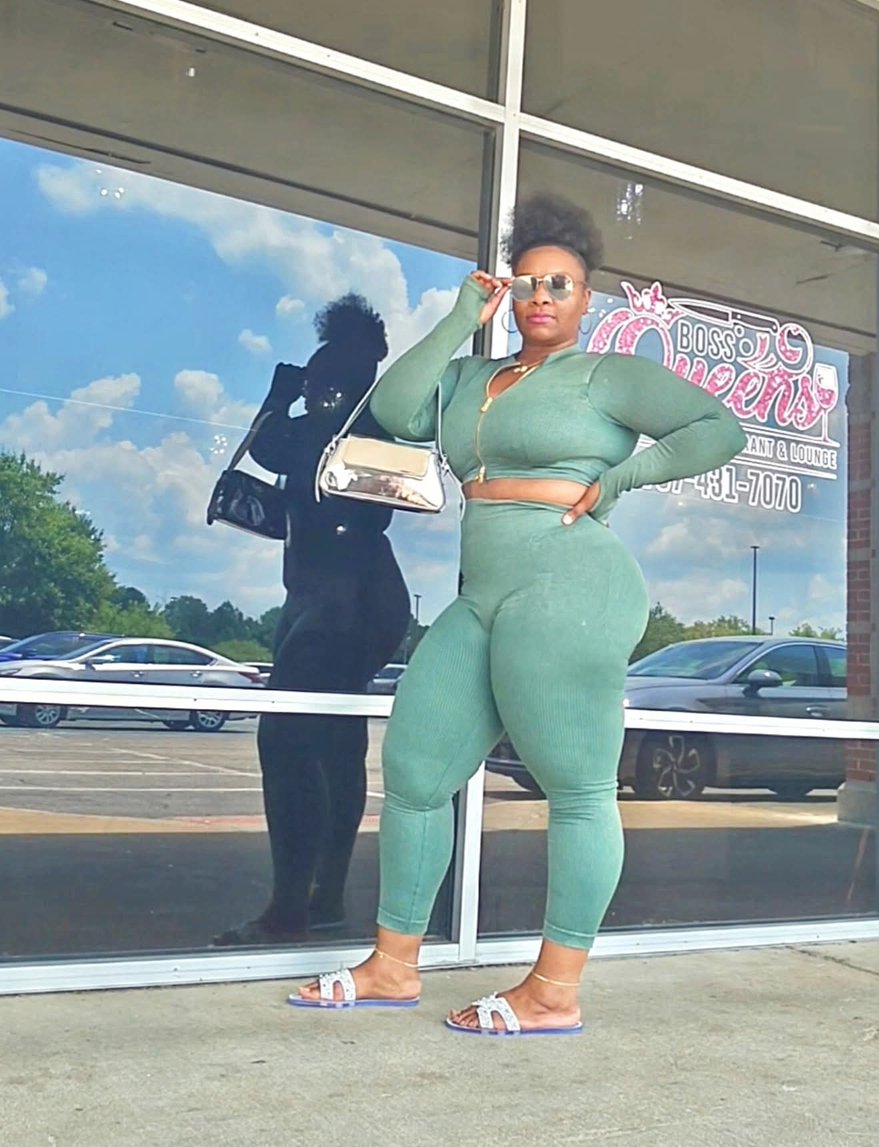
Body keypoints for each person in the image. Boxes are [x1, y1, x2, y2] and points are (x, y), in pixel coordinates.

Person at [289, 194, 746, 1033]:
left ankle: (554, 990)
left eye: (560, 283)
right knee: (416, 771)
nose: (542, 296)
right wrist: (460, 318)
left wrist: (622, 478)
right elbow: (393, 410)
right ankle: (393, 965)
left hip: (570, 583)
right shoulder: (471, 377)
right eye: (529, 281)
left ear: (585, 298)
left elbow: (717, 428)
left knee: (575, 786)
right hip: (482, 594)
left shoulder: (605, 375)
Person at [214, 295, 410, 947]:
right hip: (349, 598)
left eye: (321, 378)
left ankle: (290, 908)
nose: (313, 386)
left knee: (289, 744)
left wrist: (279, 396)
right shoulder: (370, 420)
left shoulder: (339, 426)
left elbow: (271, 446)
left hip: (338, 603)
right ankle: (319, 899)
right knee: (334, 748)